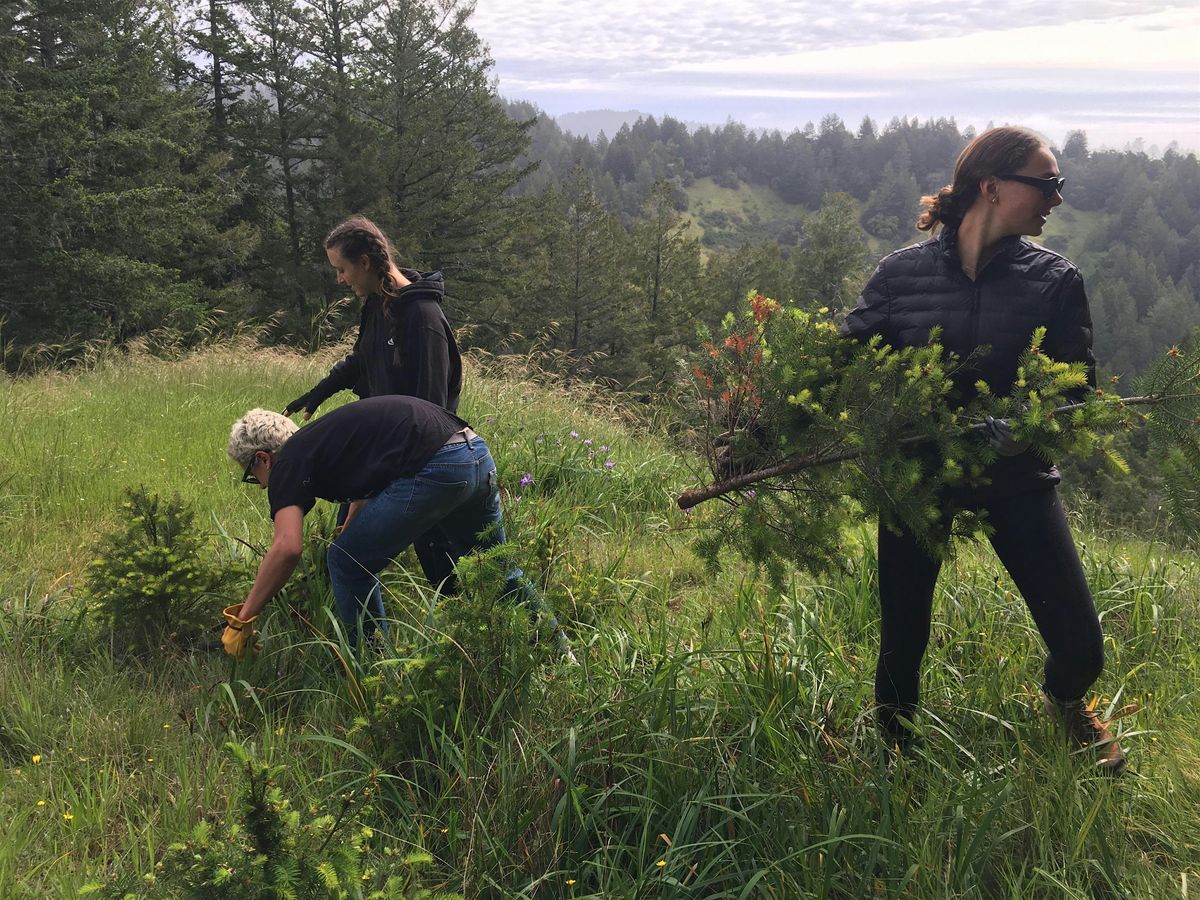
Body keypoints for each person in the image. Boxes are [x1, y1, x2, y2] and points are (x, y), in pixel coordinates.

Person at [840, 126, 1125, 773]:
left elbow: (1077, 393)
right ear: (993, 188)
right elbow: (840, 364)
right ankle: (892, 754)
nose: (1057, 198)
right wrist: (762, 435)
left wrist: (1028, 427)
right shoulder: (899, 277)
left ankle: (1063, 700)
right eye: (1047, 184)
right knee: (901, 642)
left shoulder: (1055, 283)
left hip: (1017, 477)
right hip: (920, 479)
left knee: (1082, 646)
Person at [221, 397, 573, 660]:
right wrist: (352, 525)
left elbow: (287, 547)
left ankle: (376, 672)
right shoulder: (321, 439)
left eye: (254, 477)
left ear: (263, 459)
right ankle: (563, 656)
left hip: (438, 465)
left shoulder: (290, 460)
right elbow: (371, 475)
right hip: (474, 452)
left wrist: (244, 618)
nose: (264, 486)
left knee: (346, 563)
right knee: (497, 567)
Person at [283, 215, 464, 589]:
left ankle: (466, 633)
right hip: (388, 451)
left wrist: (373, 488)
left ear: (365, 262)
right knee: (348, 550)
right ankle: (335, 618)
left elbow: (431, 411)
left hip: (425, 461)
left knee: (443, 564)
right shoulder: (378, 305)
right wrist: (318, 393)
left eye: (342, 269)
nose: (340, 279)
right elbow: (362, 359)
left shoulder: (422, 316)